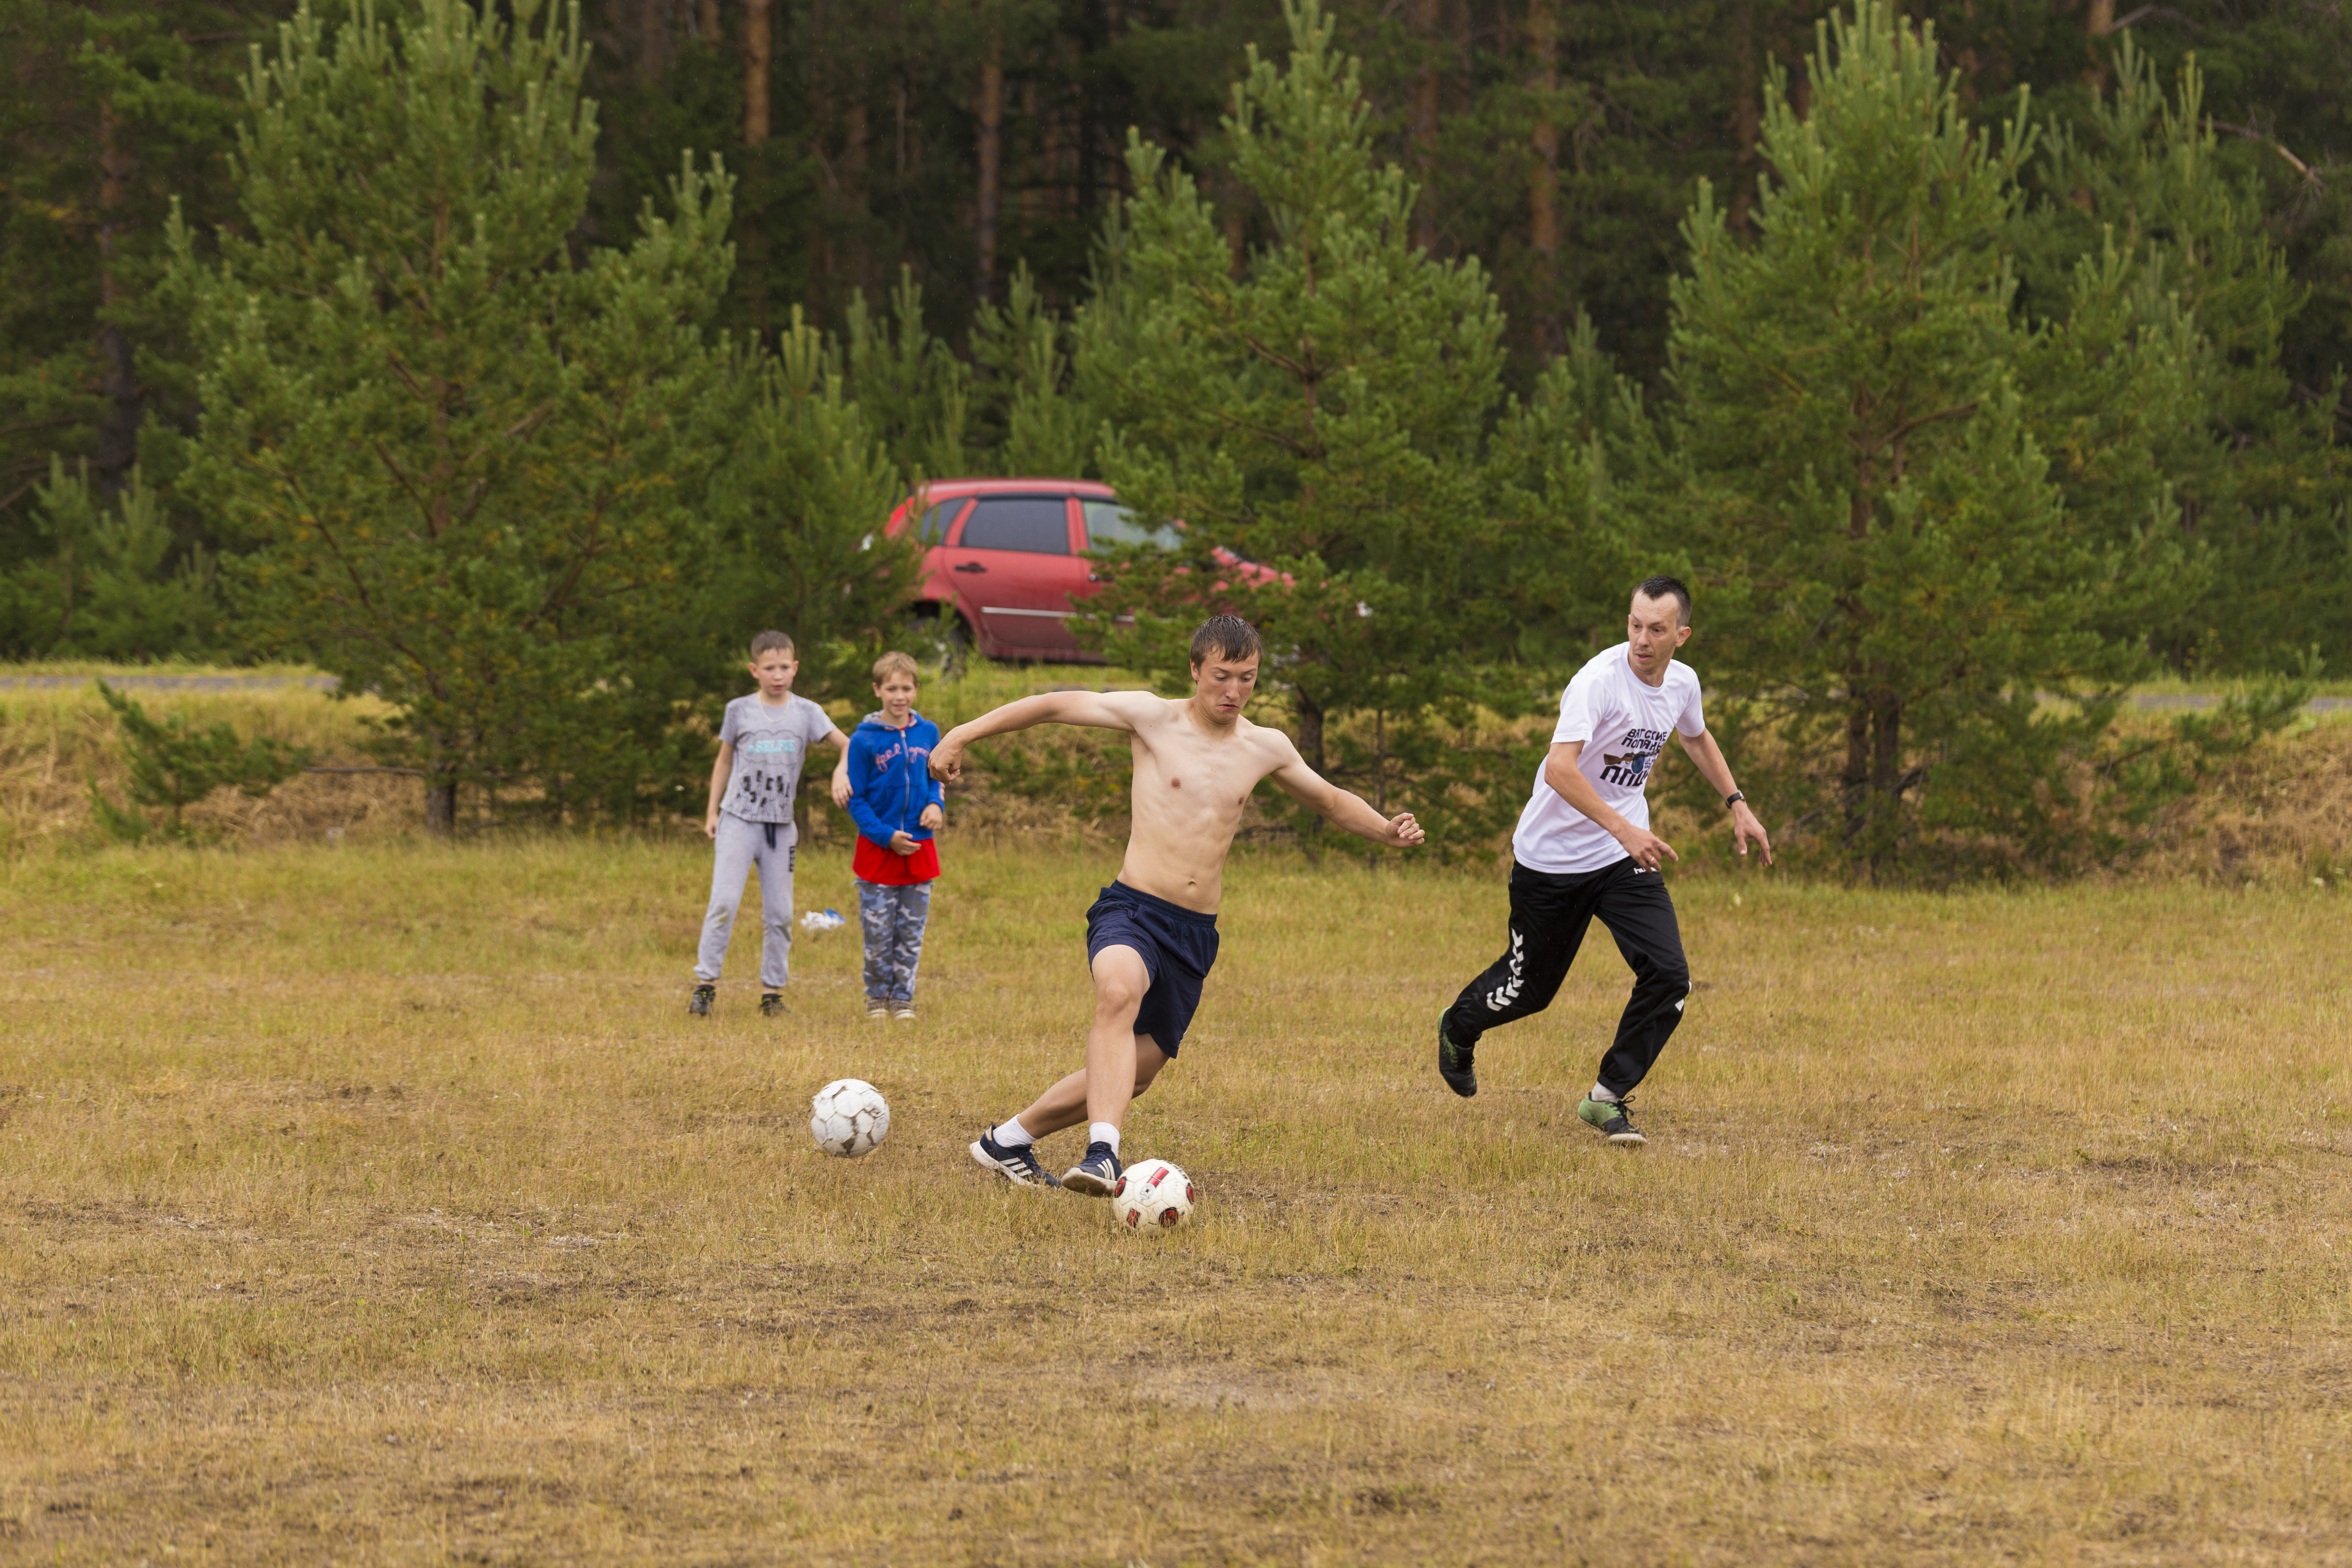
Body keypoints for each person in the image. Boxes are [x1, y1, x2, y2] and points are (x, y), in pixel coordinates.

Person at [940, 614, 1425, 1194]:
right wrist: (960, 734)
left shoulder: (1264, 746)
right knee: (1118, 990)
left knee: (1139, 1072)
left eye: (1247, 679)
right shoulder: (1151, 718)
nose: (1234, 692)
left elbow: (1327, 799)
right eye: (1221, 676)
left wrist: (1384, 832)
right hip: (1132, 911)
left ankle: (1007, 1142)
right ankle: (1103, 1153)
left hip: (1193, 932)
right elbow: (1051, 704)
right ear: (1194, 669)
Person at [1435, 576, 1771, 1146]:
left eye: (1657, 629)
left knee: (1669, 975)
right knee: (1529, 992)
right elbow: (1560, 769)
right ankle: (1458, 1026)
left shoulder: (1682, 684)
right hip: (1551, 862)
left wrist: (1737, 805)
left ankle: (1606, 1099)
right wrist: (1624, 827)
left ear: (1681, 635)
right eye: (1635, 625)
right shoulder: (1597, 683)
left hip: (1620, 858)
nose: (1642, 638)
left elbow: (1696, 737)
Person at [690, 630, 851, 1018]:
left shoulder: (808, 712)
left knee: (779, 913)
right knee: (724, 903)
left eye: (784, 667)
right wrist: (712, 812)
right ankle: (705, 987)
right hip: (738, 821)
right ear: (754, 670)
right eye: (769, 668)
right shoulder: (739, 710)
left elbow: (848, 745)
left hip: (780, 828)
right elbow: (724, 761)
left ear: (795, 669)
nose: (777, 675)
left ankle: (772, 994)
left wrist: (840, 772)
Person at [838, 651, 945, 1023]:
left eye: (906, 688)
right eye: (891, 689)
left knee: (910, 933)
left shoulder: (929, 732)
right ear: (877, 691)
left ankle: (903, 1000)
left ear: (916, 690)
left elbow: (937, 779)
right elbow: (858, 800)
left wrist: (936, 806)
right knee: (879, 934)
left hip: (919, 851)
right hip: (879, 853)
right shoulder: (863, 741)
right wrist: (886, 836)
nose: (899, 696)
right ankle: (877, 1000)